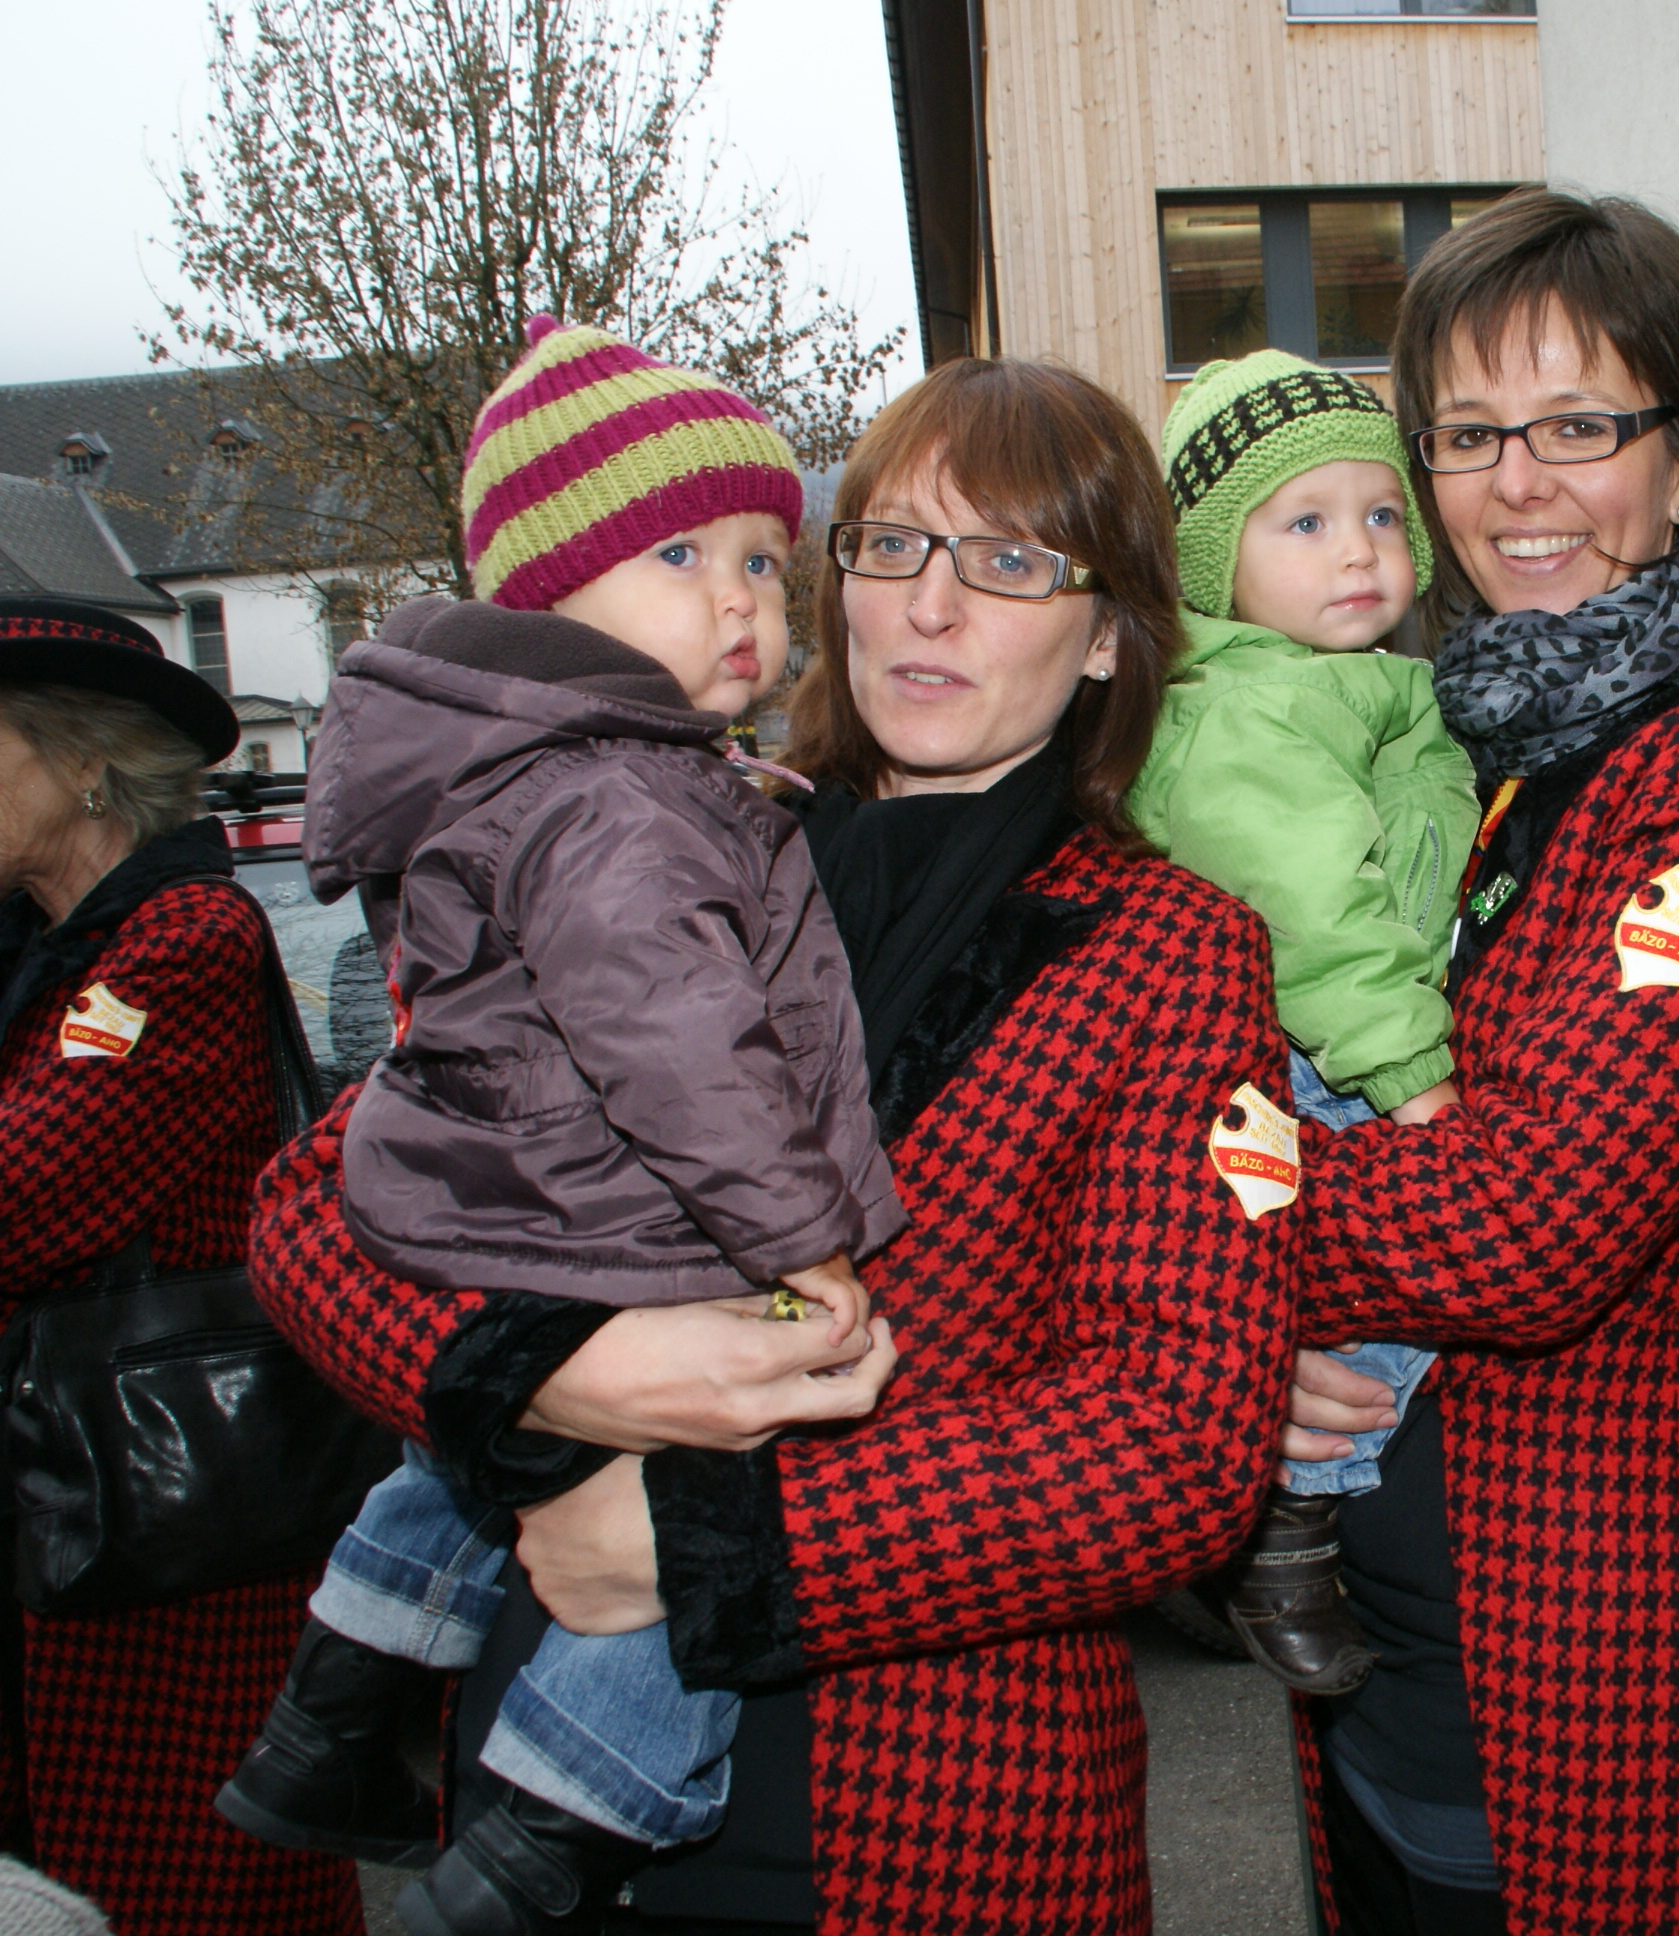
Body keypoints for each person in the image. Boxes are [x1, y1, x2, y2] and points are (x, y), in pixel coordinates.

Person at [245, 356, 1299, 1935]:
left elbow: (1176, 1441)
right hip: (523, 1739)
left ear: (1107, 637)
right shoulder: (651, 829)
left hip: (916, 1806)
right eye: (892, 544)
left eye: (1012, 562)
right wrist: (535, 1369)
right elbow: (315, 1200)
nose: (929, 606)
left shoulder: (1172, 952)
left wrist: (707, 1546)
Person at [217, 320, 905, 1929]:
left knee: (450, 1466)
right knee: (697, 1509)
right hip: (625, 1211)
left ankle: (333, 1710)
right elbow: (686, 1046)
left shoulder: (562, 771)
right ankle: (553, 1828)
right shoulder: (616, 794)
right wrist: (801, 1236)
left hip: (493, 1199)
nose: (742, 603)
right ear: (545, 592)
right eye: (680, 555)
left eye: (763, 559)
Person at [1276, 190, 1679, 1933]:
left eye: (1578, 425)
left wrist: (1224, 1247)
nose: (1515, 484)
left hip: (1589, 1622)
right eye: (1467, 433)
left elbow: (1536, 1219)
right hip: (1378, 1621)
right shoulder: (1456, 736)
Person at [0, 598, 363, 1934]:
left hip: (167, 1516)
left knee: (187, 1888)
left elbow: (25, 1197)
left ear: (84, 759)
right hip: (68, 1503)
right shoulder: (43, 949)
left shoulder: (178, 943)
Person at [1129, 350, 1476, 1694]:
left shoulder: (1356, 681)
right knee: (1406, 1275)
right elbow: (1320, 911)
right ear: (1214, 565)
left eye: (1382, 514)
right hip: (1322, 1048)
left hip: (1355, 1026)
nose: (1359, 551)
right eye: (1306, 523)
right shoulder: (1248, 710)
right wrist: (1413, 1075)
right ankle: (1287, 1517)